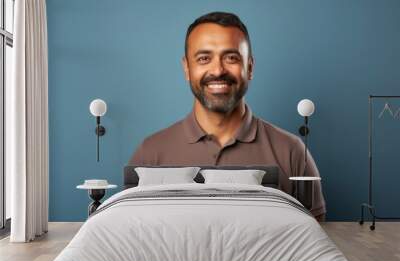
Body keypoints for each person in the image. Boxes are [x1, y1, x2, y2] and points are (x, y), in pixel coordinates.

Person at [129, 11, 326, 221]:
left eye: (231, 57)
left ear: (249, 67)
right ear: (187, 68)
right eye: (204, 58)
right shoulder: (150, 154)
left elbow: (315, 238)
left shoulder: (293, 152)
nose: (218, 70)